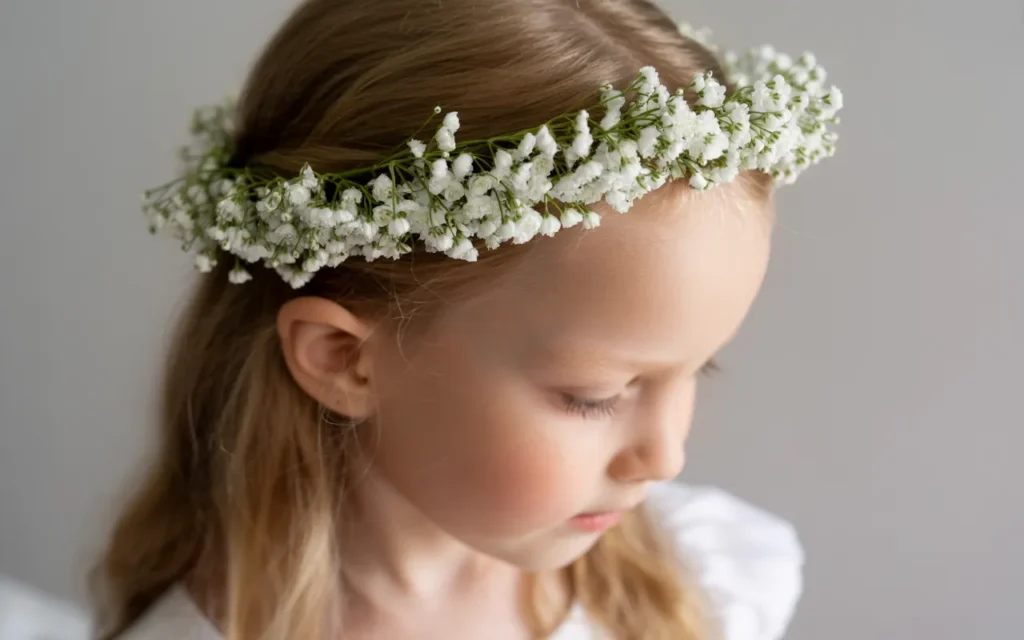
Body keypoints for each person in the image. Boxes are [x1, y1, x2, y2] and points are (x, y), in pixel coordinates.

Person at [91, 0, 842, 638]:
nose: (665, 457)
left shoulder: (696, 580)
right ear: (344, 359)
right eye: (594, 395)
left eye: (698, 369)